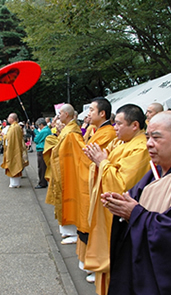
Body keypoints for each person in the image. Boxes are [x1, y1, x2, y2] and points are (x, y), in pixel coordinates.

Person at [103, 111, 171, 295]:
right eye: (148, 137)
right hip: (139, 265)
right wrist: (120, 203)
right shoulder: (156, 170)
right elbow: (135, 199)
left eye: (156, 138)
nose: (149, 144)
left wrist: (133, 213)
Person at [83, 104, 150, 293]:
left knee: (116, 260)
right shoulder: (122, 142)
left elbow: (120, 184)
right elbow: (103, 157)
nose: (115, 128)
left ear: (135, 125)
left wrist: (103, 162)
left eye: (119, 124)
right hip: (107, 211)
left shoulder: (140, 147)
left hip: (120, 216)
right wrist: (102, 161)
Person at [75, 98, 117, 279]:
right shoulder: (97, 130)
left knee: (94, 225)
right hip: (89, 183)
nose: (88, 113)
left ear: (103, 114)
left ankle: (96, 265)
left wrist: (73, 139)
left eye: (92, 110)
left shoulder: (107, 133)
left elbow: (88, 156)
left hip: (98, 185)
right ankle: (89, 263)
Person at [45, 103, 86, 244]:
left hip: (69, 171)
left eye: (60, 114)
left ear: (66, 115)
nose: (58, 116)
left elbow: (78, 153)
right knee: (62, 199)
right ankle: (67, 231)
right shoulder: (67, 130)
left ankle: (73, 232)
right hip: (62, 169)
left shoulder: (72, 132)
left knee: (69, 198)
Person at [1, 113, 28, 188]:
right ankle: (16, 183)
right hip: (16, 148)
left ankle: (14, 183)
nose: (7, 119)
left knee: (13, 163)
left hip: (13, 149)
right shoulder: (16, 126)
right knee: (16, 163)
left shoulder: (13, 128)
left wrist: (4, 136)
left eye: (9, 117)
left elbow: (10, 139)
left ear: (12, 119)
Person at [33, 118, 52, 189]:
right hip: (44, 149)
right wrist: (35, 131)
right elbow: (39, 135)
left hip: (42, 150)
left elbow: (36, 139)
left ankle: (42, 183)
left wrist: (35, 133)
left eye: (38, 126)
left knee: (41, 167)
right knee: (43, 166)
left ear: (41, 125)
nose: (38, 127)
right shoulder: (46, 130)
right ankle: (43, 181)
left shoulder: (44, 131)